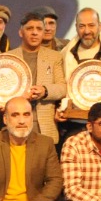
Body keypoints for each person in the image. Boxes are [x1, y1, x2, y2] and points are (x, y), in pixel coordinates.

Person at [13, 11, 67, 142]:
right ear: (21, 32)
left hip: (45, 125)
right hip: (16, 124)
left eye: (39, 29)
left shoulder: (55, 57)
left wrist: (45, 91)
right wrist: (19, 96)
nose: (34, 33)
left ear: (43, 33)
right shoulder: (8, 57)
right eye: (29, 29)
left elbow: (63, 88)